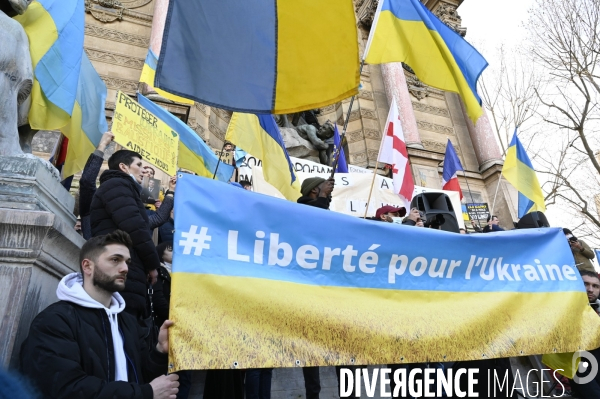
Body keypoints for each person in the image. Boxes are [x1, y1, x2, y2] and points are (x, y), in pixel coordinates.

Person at [20, 231, 179, 399]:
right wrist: (145, 393)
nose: (125, 268)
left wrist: (159, 352)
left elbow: (141, 376)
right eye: (115, 260)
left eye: (127, 262)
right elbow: (65, 388)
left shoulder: (127, 321)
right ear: (88, 266)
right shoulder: (55, 320)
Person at [297, 177, 358, 399]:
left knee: (342, 352)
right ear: (314, 190)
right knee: (311, 358)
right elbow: (315, 219)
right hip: (310, 296)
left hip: (330, 296)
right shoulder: (301, 209)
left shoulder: (324, 208)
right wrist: (323, 197)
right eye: (324, 187)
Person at [90, 150, 162, 318]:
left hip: (130, 268)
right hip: (119, 268)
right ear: (124, 167)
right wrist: (152, 264)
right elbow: (135, 227)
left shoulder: (125, 188)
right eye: (139, 165)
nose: (144, 171)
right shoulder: (117, 185)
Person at [569, 270, 600, 397]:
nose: (590, 289)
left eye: (595, 286)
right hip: (581, 370)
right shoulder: (565, 311)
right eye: (585, 284)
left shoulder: (596, 310)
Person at [79, 131, 114, 240]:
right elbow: (87, 181)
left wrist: (169, 193)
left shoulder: (126, 214)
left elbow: (154, 220)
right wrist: (102, 145)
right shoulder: (92, 207)